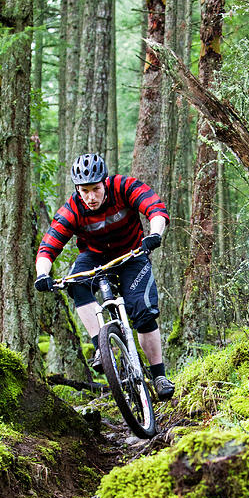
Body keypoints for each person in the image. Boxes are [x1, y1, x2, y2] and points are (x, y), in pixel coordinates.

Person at [35, 152, 175, 401]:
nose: (90, 197)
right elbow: (49, 245)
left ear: (105, 183)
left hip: (132, 254)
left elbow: (155, 208)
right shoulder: (73, 208)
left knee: (143, 312)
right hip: (95, 257)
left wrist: (154, 234)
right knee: (76, 284)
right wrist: (42, 274)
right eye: (84, 190)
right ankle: (102, 346)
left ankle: (159, 375)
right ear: (77, 189)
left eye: (95, 189)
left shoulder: (124, 187)